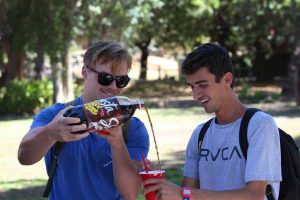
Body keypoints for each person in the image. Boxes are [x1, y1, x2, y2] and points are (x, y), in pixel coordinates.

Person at [143, 43, 282, 200]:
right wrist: (165, 188)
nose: (195, 95)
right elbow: (187, 195)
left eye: (203, 85)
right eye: (192, 87)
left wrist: (184, 194)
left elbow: (254, 195)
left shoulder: (259, 125)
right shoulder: (200, 134)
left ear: (227, 79)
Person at [18, 41, 150, 200]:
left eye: (121, 80)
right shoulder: (57, 115)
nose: (114, 87)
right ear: (85, 72)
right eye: (105, 78)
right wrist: (51, 133)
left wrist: (117, 141)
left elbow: (130, 194)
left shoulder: (133, 128)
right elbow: (24, 157)